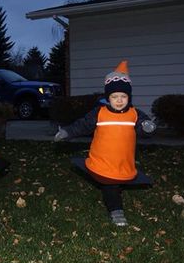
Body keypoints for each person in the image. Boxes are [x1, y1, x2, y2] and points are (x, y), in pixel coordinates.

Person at [54, 60, 156, 226]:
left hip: (123, 161)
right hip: (103, 161)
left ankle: (116, 191)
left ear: (128, 97)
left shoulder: (134, 114)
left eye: (123, 96)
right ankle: (116, 211)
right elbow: (83, 125)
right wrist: (67, 132)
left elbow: (143, 127)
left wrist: (147, 127)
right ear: (108, 97)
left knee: (118, 180)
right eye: (114, 96)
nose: (119, 100)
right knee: (111, 183)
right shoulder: (100, 113)